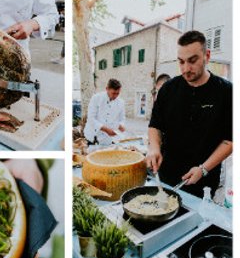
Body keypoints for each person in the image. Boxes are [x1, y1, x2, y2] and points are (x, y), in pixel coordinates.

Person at [146, 31, 233, 196]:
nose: (186, 69)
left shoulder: (227, 92)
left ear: (207, 55)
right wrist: (154, 148)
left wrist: (204, 168)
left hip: (204, 180)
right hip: (166, 176)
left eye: (192, 61)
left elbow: (230, 140)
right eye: (181, 62)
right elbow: (155, 125)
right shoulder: (168, 89)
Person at [83, 79, 127, 146]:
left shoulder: (121, 102)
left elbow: (122, 118)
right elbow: (91, 118)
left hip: (108, 139)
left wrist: (121, 125)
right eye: (113, 93)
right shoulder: (96, 98)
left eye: (117, 93)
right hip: (93, 136)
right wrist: (106, 129)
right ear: (107, 89)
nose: (115, 96)